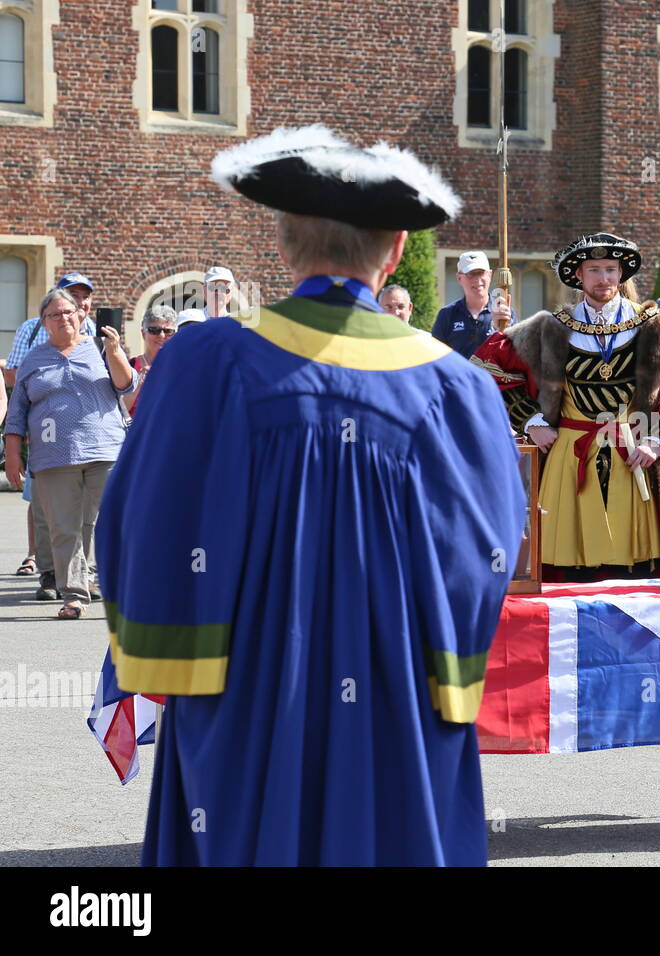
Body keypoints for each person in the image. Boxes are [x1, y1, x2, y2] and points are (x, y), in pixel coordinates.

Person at [95, 125, 524, 866]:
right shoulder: (456, 388)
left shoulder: (206, 363)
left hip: (244, 696)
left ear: (285, 244)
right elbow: (483, 555)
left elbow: (138, 521)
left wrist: (173, 653)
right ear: (394, 250)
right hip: (396, 703)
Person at [473, 232, 660, 581]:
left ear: (622, 274)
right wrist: (530, 421)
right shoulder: (549, 327)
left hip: (634, 457)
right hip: (569, 455)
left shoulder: (657, 327)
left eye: (611, 269)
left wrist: (657, 439)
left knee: (637, 568)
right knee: (567, 568)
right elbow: (487, 372)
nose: (604, 279)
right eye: (594, 270)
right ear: (578, 275)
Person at [5, 288, 136, 619]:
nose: (63, 318)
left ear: (81, 316)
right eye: (54, 314)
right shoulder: (34, 359)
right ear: (44, 322)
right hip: (53, 457)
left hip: (105, 450)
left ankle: (122, 586)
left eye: (69, 312)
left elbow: (127, 386)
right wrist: (13, 452)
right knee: (64, 527)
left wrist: (116, 351)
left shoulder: (101, 348)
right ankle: (74, 594)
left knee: (113, 520)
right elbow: (18, 409)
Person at [5, 272, 97, 593]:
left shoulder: (99, 336)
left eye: (84, 296)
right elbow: (15, 378)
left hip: (87, 442)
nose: (79, 301)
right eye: (72, 295)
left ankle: (80, 573)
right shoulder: (32, 331)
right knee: (45, 509)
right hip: (44, 437)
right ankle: (47, 570)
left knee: (85, 512)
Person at [432, 251, 513, 357]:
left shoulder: (504, 313)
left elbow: (514, 356)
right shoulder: (447, 314)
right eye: (470, 274)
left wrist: (501, 329)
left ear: (490, 275)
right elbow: (435, 356)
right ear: (459, 278)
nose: (477, 280)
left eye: (481, 273)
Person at [123, 305, 178, 416]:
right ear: (143, 334)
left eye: (168, 331)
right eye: (154, 330)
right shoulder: (129, 366)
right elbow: (119, 410)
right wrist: (137, 385)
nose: (162, 335)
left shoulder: (183, 367)